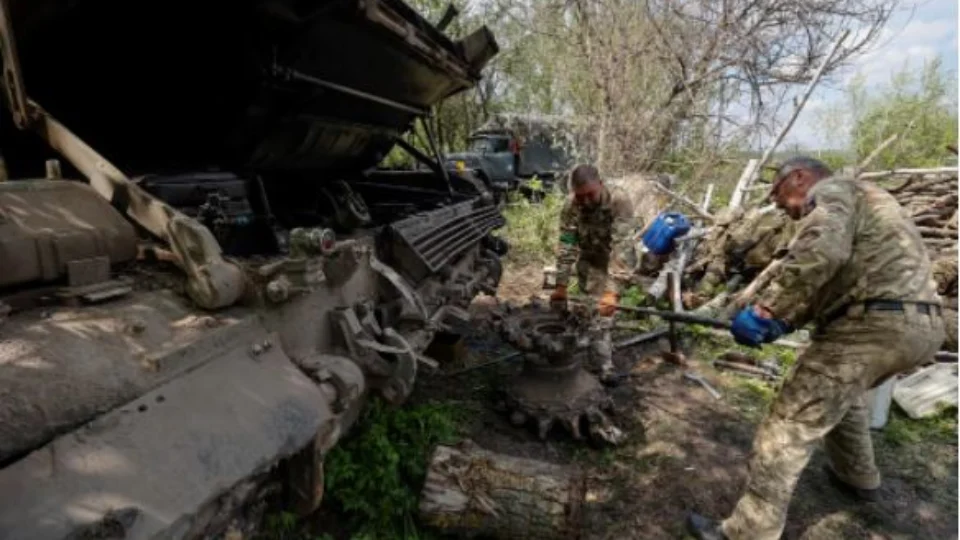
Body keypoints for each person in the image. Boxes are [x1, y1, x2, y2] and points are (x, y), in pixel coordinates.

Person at [687, 156, 946, 540]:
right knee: (846, 399)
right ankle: (858, 477)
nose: (777, 204)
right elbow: (831, 280)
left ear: (800, 177)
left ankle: (747, 532)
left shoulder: (833, 191)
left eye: (777, 194)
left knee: (788, 425)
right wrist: (781, 323)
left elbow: (821, 254)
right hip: (920, 326)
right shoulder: (871, 203)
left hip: (871, 326)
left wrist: (765, 308)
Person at [549, 164, 636, 384]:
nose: (585, 201)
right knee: (585, 308)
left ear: (600, 184)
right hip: (588, 258)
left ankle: (604, 367)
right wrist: (560, 286)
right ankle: (583, 348)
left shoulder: (619, 201)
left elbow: (622, 248)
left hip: (614, 260)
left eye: (590, 195)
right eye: (580, 197)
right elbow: (567, 245)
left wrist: (612, 291)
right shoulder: (570, 206)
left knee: (604, 313)